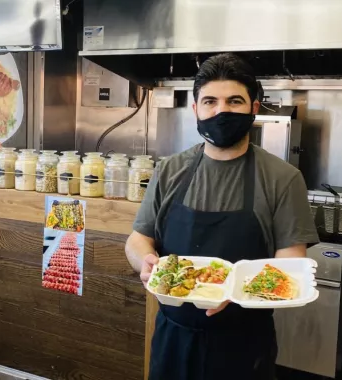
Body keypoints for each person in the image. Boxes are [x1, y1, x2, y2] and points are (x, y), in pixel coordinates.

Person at [125, 53, 319, 380]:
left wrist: (238, 288)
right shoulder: (169, 171)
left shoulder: (282, 178)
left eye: (235, 101)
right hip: (173, 341)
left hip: (244, 348)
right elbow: (138, 239)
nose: (221, 111)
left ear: (254, 108)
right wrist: (146, 262)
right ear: (196, 110)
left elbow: (291, 264)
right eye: (210, 101)